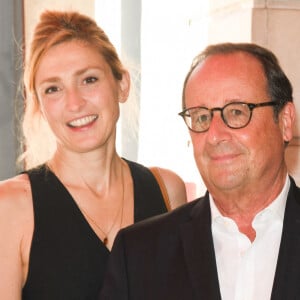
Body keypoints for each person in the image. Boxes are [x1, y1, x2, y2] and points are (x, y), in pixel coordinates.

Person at [0, 10, 187, 300]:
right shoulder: (11, 207)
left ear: (121, 84)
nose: (75, 103)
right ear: (39, 106)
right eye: (53, 89)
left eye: (88, 80)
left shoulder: (167, 190)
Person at [99, 42, 299, 300]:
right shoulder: (139, 254)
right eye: (202, 117)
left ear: (284, 122)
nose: (214, 135)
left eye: (237, 112)